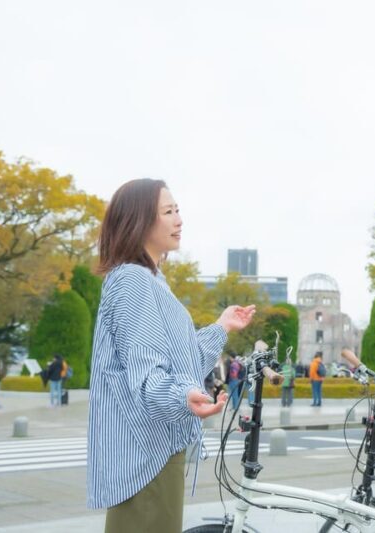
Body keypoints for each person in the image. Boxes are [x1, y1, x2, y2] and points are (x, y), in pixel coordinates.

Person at [86, 178, 255, 533]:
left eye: (178, 210)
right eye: (168, 211)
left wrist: (222, 326)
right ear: (139, 221)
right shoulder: (134, 279)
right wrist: (182, 395)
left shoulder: (150, 279)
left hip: (154, 448)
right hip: (146, 452)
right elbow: (146, 372)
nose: (179, 219)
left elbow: (183, 358)